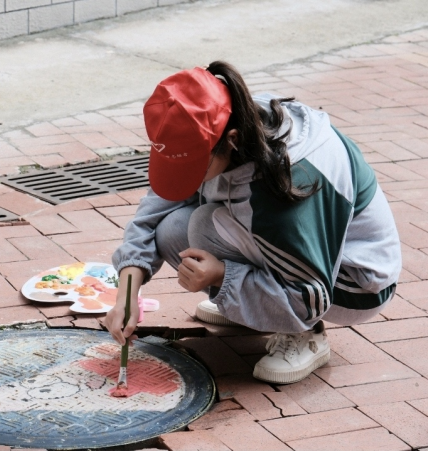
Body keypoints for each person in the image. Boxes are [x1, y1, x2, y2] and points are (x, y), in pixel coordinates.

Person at [105, 61, 402, 384]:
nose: (188, 179)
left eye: (194, 168)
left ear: (231, 140)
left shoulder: (284, 185)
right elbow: (154, 210)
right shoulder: (235, 119)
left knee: (202, 226)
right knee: (173, 229)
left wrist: (224, 276)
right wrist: (127, 290)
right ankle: (254, 306)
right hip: (294, 251)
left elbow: (310, 295)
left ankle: (304, 334)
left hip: (351, 283)